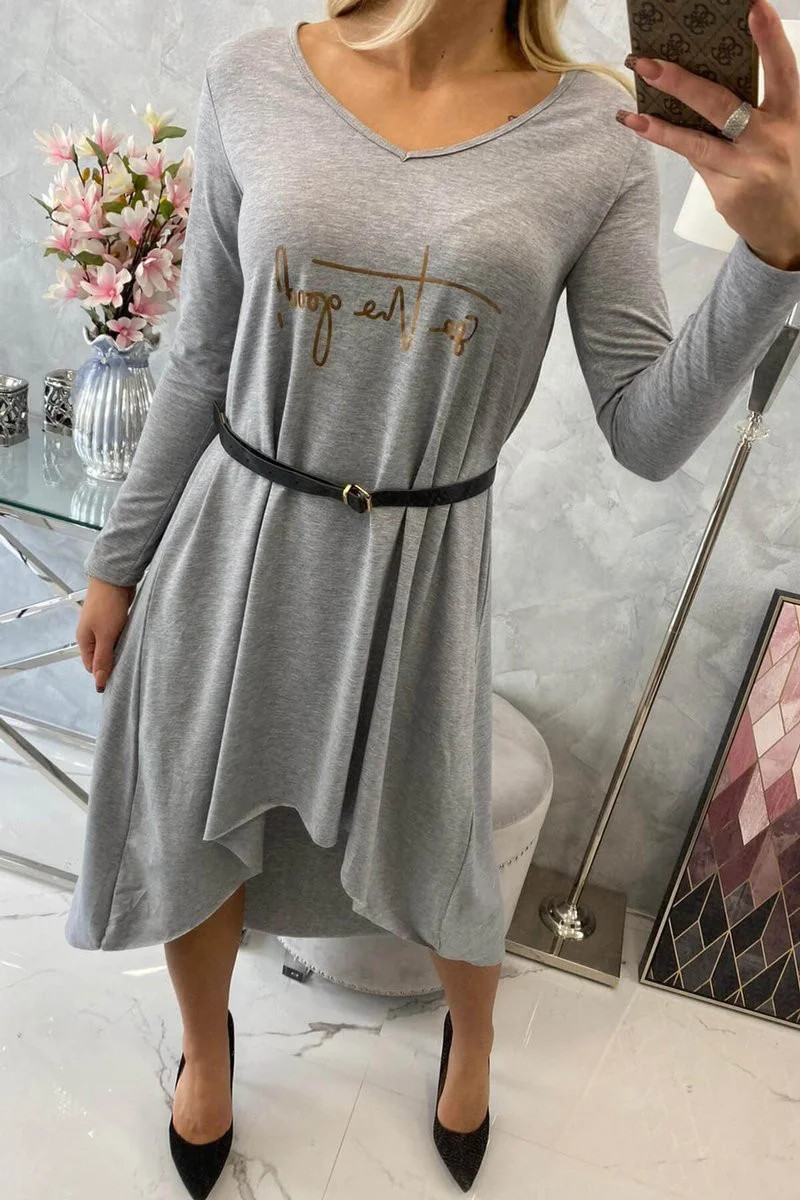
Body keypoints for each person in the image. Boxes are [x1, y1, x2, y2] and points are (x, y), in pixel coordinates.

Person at [66, 0, 800, 1194]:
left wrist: (771, 260)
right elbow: (201, 355)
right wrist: (117, 560)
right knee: (195, 808)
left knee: (438, 842)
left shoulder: (595, 134)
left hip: (422, 572)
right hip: (233, 537)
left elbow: (645, 430)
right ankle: (206, 1053)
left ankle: (474, 1035)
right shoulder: (252, 76)